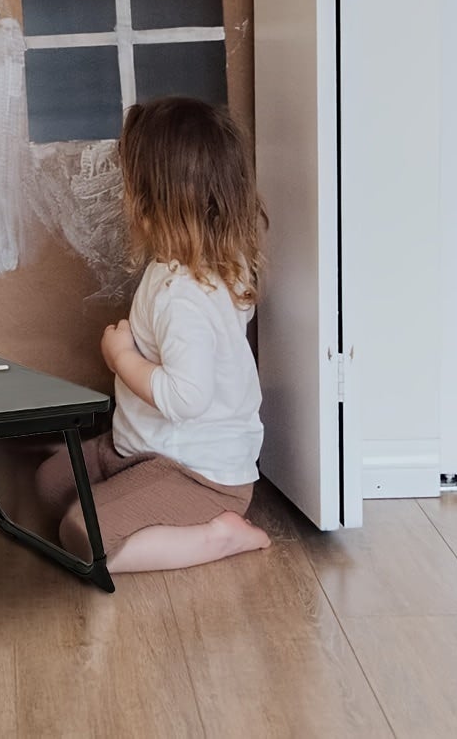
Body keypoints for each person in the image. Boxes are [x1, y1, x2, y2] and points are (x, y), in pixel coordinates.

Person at [35, 96, 273, 572]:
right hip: (142, 447)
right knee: (48, 485)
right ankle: (134, 501)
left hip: (197, 475)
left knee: (81, 535)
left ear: (149, 202)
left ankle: (218, 535)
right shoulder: (200, 267)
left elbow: (187, 398)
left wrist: (120, 356)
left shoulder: (184, 296)